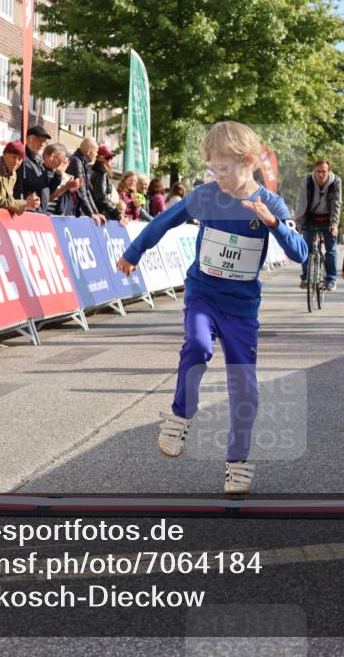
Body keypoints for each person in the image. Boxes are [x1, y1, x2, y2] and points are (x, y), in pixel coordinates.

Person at [115, 121, 308, 494]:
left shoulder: (270, 203)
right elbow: (164, 222)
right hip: (203, 293)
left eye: (224, 169)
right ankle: (180, 415)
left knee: (244, 387)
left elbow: (300, 253)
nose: (217, 177)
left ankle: (237, 462)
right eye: (212, 169)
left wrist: (274, 225)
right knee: (199, 346)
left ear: (248, 161)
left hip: (241, 308)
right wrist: (133, 252)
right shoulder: (205, 197)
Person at [296, 159, 342, 291]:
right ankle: (305, 277)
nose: (320, 174)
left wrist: (334, 224)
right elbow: (301, 202)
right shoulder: (308, 181)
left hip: (328, 219)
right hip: (310, 217)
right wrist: (298, 221)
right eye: (318, 171)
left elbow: (336, 203)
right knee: (306, 249)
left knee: (331, 250)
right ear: (314, 171)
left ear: (329, 171)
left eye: (324, 171)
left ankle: (331, 280)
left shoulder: (336, 182)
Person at [59, 137, 105, 225]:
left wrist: (95, 212)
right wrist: (91, 214)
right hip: (67, 210)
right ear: (89, 151)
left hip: (72, 209)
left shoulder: (82, 163)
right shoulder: (76, 162)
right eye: (96, 151)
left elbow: (86, 191)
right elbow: (81, 191)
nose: (97, 155)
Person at [89, 144, 127, 223]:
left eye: (111, 157)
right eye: (108, 157)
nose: (110, 160)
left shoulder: (96, 171)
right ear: (100, 158)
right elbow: (101, 197)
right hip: (101, 215)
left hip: (98, 213)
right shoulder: (101, 173)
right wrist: (116, 213)